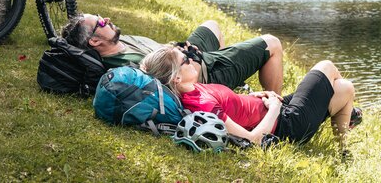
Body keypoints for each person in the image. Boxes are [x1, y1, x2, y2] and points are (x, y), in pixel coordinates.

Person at [140, 44, 361, 150]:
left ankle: (342, 148)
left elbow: (230, 104)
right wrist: (274, 106)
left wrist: (255, 97)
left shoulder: (195, 88)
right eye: (185, 60)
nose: (190, 59)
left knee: (344, 88)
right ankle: (349, 118)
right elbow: (250, 139)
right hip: (286, 125)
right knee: (327, 66)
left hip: (276, 110)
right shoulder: (202, 106)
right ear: (176, 78)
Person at [62, 13, 283, 93]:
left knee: (212, 25)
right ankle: (276, 107)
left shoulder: (120, 40)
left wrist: (180, 48)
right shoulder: (124, 68)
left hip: (188, 56)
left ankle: (230, 85)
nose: (106, 19)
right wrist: (190, 58)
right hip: (203, 73)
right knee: (272, 44)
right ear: (94, 40)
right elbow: (169, 81)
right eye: (100, 22)